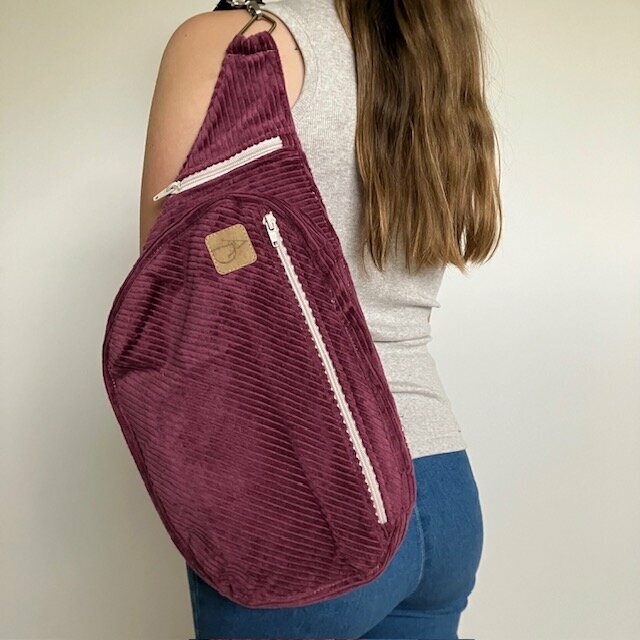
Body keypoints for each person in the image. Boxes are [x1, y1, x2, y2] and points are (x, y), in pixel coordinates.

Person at [139, 0, 501, 638]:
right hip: (442, 492)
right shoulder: (432, 53)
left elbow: (167, 289)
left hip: (308, 492)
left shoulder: (235, 41)